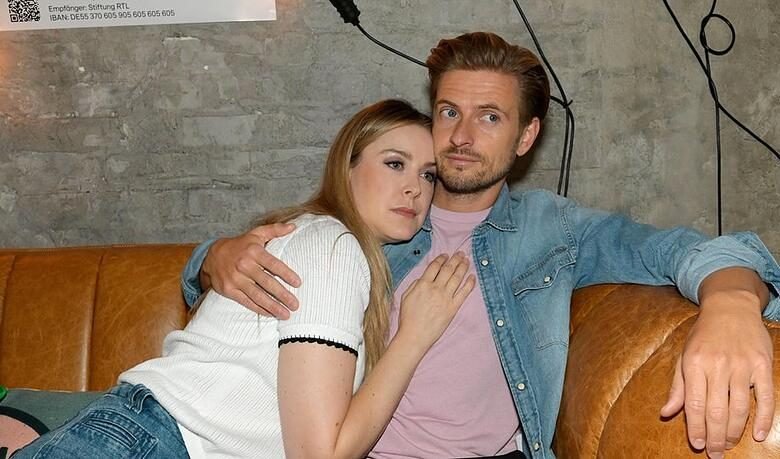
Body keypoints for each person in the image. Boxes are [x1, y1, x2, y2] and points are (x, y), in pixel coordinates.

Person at [182, 33, 780, 459]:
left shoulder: (555, 230)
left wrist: (730, 305)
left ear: (526, 136)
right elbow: (275, 254)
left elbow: (688, 251)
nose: (461, 137)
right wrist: (213, 259)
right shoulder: (377, 220)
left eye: (490, 117)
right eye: (449, 112)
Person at [13, 99, 477, 458]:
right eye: (394, 163)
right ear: (347, 169)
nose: (415, 188)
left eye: (429, 175)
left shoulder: (326, 244)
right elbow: (320, 454)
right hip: (147, 442)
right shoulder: (332, 246)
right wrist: (414, 336)